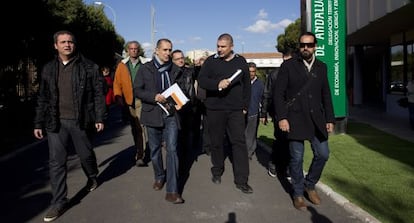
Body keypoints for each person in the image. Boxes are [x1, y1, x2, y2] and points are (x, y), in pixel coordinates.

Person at [33, 30, 105, 222]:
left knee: (86, 155)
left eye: (70, 42)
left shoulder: (89, 67)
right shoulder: (48, 68)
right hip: (55, 123)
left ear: (75, 44)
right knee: (56, 162)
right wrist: (38, 122)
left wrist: (99, 117)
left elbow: (99, 94)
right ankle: (58, 202)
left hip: (81, 121)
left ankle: (92, 175)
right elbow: (43, 98)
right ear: (55, 45)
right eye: (63, 42)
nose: (67, 45)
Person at [273, 31, 335, 210]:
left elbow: (326, 94)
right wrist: (282, 117)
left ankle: (310, 184)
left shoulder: (322, 67)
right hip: (295, 119)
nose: (305, 48)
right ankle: (298, 193)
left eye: (309, 45)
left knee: (323, 154)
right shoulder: (288, 66)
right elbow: (279, 94)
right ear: (299, 47)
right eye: (302, 45)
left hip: (317, 119)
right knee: (297, 158)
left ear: (315, 46)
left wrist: (329, 118)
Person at [198, 33, 253, 194]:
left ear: (231, 47)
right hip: (215, 109)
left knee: (239, 143)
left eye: (223, 47)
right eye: (218, 46)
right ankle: (217, 170)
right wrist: (217, 84)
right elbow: (202, 80)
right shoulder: (211, 62)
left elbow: (247, 87)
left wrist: (245, 106)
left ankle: (242, 180)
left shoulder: (240, 61)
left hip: (235, 110)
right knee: (216, 142)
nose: (219, 49)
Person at [134, 38, 184, 204]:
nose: (168, 53)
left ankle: (172, 191)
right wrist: (153, 97)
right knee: (155, 150)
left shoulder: (175, 69)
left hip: (171, 115)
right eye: (164, 50)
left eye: (170, 50)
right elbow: (137, 90)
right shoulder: (145, 68)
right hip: (152, 113)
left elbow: (183, 88)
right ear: (156, 50)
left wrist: (180, 100)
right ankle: (159, 176)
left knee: (172, 150)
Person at [113, 40, 148, 166]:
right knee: (135, 128)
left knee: (141, 126)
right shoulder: (122, 65)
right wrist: (118, 98)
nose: (133, 50)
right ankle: (139, 150)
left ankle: (140, 154)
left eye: (135, 48)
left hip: (141, 100)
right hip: (129, 101)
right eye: (131, 49)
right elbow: (117, 83)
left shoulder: (145, 64)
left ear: (138, 50)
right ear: (127, 50)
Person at [262, 48, 295, 178]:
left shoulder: (299, 73)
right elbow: (267, 94)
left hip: (295, 113)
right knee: (281, 139)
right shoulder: (275, 74)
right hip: (278, 112)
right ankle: (274, 163)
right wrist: (263, 113)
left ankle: (288, 167)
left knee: (292, 141)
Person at [171, 49, 200, 190]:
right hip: (176, 110)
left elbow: (199, 73)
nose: (180, 60)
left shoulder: (189, 71)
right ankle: (178, 165)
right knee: (177, 138)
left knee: (187, 137)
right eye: (177, 59)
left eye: (182, 58)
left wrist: (199, 65)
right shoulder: (170, 73)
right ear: (173, 60)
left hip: (190, 108)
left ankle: (184, 163)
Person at [245, 62, 264, 160]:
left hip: (254, 113)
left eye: (253, 71)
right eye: (249, 71)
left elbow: (263, 98)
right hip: (242, 113)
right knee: (241, 134)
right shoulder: (242, 83)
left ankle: (249, 153)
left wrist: (263, 114)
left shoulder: (260, 84)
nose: (251, 74)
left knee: (251, 135)